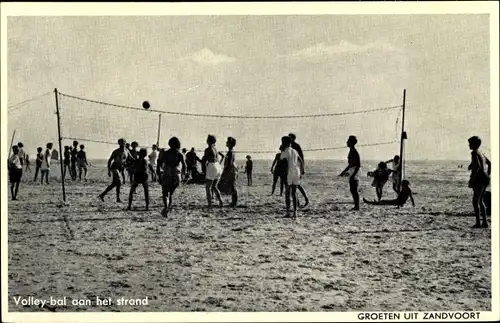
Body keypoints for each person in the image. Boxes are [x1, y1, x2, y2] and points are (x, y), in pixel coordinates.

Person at [157, 137, 186, 217]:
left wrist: (158, 173)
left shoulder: (166, 153)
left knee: (165, 193)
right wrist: (184, 175)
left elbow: (159, 163)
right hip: (176, 174)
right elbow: (184, 166)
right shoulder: (180, 154)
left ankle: (166, 207)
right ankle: (167, 208)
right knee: (171, 194)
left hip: (167, 172)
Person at [467, 136, 491, 228]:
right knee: (480, 201)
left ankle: (478, 223)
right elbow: (489, 163)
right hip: (484, 179)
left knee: (475, 201)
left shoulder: (474, 153)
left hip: (478, 179)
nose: (469, 145)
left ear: (474, 144)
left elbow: (479, 167)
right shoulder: (481, 153)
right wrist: (487, 174)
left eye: (470, 143)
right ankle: (484, 222)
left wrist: (474, 178)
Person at [98, 138, 130, 203]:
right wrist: (109, 170)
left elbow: (131, 159)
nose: (122, 144)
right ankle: (118, 198)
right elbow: (110, 160)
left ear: (125, 143)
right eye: (121, 142)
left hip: (120, 169)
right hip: (114, 168)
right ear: (119, 143)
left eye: (123, 142)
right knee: (119, 182)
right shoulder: (116, 152)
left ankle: (102, 195)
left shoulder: (127, 151)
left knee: (114, 184)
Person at [280, 136, 304, 218]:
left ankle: (287, 212)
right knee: (294, 193)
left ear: (286, 142)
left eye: (283, 142)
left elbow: (284, 164)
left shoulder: (285, 151)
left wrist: (284, 175)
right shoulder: (295, 151)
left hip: (289, 172)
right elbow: (301, 161)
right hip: (296, 171)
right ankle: (295, 212)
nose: (282, 143)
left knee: (287, 193)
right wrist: (300, 172)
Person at [339, 135, 361, 210]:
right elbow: (350, 164)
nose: (347, 142)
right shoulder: (352, 151)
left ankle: (357, 206)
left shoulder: (354, 152)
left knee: (354, 189)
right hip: (353, 170)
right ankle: (356, 205)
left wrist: (353, 175)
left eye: (348, 141)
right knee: (352, 189)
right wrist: (343, 172)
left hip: (355, 171)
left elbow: (358, 165)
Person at [202, 135, 223, 207]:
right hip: (218, 166)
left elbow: (204, 160)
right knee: (214, 186)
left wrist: (204, 170)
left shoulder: (207, 149)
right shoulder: (215, 148)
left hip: (212, 166)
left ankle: (209, 203)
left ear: (209, 141)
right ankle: (220, 200)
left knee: (208, 187)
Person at [289, 133, 309, 208]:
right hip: (291, 168)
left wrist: (302, 169)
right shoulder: (289, 146)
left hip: (296, 167)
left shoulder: (296, 146)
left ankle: (305, 199)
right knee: (293, 186)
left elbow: (301, 158)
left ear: (293, 139)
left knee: (296, 185)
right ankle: (298, 202)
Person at [218, 137, 238, 207]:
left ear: (230, 144)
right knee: (232, 185)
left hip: (230, 170)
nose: (226, 142)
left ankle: (234, 202)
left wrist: (225, 171)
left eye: (227, 142)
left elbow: (229, 163)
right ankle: (234, 202)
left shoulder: (230, 152)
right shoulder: (231, 152)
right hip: (231, 170)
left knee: (232, 186)